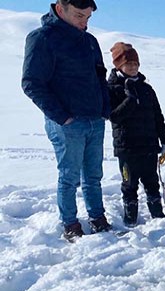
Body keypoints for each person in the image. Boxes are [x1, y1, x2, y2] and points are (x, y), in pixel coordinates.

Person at [22, 0, 112, 241]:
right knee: (69, 176)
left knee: (93, 175)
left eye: (88, 18)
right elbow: (31, 83)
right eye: (79, 16)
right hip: (67, 124)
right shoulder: (42, 38)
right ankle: (70, 223)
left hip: (95, 119)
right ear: (60, 9)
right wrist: (62, 117)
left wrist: (105, 108)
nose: (84, 23)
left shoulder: (89, 41)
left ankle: (97, 217)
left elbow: (100, 76)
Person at [107, 42, 165, 226]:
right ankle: (130, 218)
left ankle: (157, 215)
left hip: (149, 146)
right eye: (129, 64)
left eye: (136, 64)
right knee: (130, 185)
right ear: (119, 66)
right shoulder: (113, 89)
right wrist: (130, 99)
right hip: (127, 149)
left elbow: (158, 117)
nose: (133, 67)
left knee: (152, 182)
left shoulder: (147, 89)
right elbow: (113, 117)